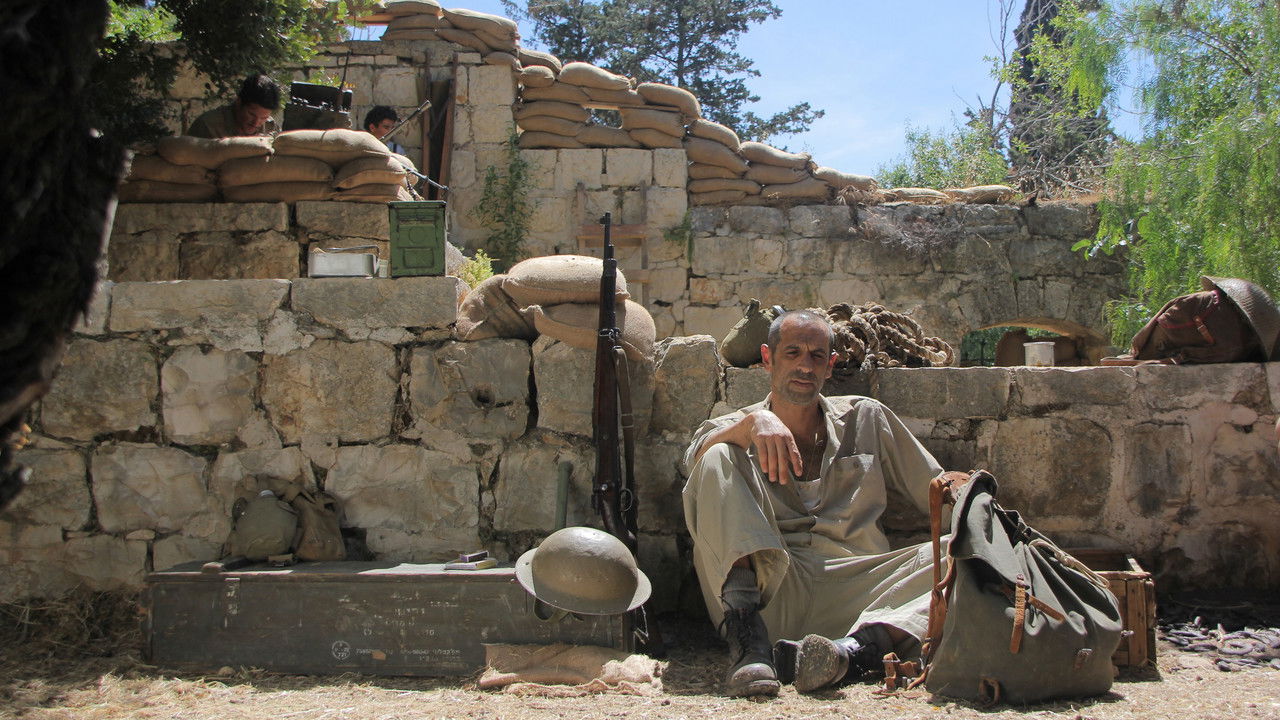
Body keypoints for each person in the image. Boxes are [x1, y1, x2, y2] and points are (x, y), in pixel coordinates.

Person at [682, 310, 944, 697]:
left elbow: (940, 492)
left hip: (861, 597)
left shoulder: (865, 418)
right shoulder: (736, 426)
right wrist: (751, 426)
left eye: (816, 356)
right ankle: (750, 647)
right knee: (718, 457)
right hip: (770, 596)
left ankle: (846, 655)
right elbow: (694, 463)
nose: (805, 366)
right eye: (793, 353)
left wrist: (980, 507)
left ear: (830, 365)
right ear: (767, 358)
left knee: (962, 558)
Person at [187, 74, 280, 139]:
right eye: (251, 114)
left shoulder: (270, 127)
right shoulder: (208, 126)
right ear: (239, 102)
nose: (256, 123)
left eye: (263, 118)